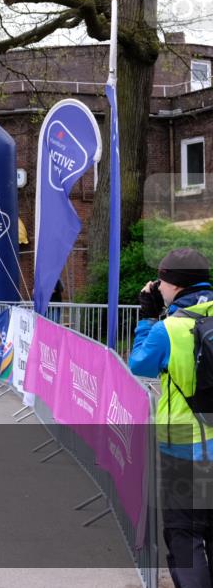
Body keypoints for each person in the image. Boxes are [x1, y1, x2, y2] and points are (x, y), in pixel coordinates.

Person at [128, 248, 212, 588]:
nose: (157, 288)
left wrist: (148, 318)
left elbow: (140, 365)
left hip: (184, 450)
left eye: (160, 282)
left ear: (174, 286)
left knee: (184, 537)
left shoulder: (170, 329)